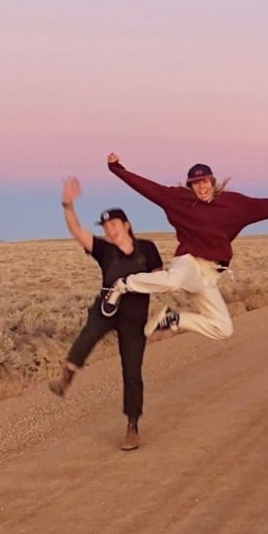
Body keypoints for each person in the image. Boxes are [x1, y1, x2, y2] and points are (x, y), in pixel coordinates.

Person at [102, 154, 268, 340]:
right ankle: (122, 286)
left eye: (204, 181)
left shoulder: (235, 205)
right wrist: (116, 168)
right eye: (195, 183)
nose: (201, 187)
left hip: (209, 274)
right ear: (190, 186)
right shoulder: (178, 200)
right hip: (188, 262)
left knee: (223, 328)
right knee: (173, 281)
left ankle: (175, 319)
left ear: (212, 182)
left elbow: (267, 206)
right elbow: (147, 188)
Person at [50, 177, 163, 452]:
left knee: (132, 371)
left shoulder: (147, 248)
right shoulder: (104, 250)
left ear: (126, 225)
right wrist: (67, 204)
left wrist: (153, 299)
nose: (109, 230)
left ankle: (132, 426)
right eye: (105, 227)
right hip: (107, 307)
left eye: (113, 224)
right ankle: (66, 377)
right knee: (89, 332)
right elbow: (77, 230)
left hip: (134, 315)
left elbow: (161, 279)